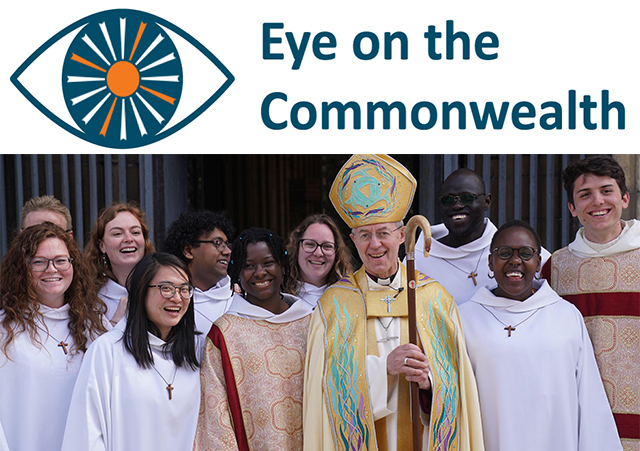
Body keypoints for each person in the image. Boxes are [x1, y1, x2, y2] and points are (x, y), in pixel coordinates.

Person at [304, 154, 484, 451]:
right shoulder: (334, 306)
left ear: (401, 235)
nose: (374, 245)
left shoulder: (433, 299)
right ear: (353, 239)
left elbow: (458, 385)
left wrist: (429, 383)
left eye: (383, 233)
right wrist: (383, 368)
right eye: (364, 235)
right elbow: (324, 393)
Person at [460, 220, 621, 451]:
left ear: (538, 264)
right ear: (491, 262)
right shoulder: (464, 318)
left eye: (526, 253)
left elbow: (589, 397)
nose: (515, 261)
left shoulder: (565, 316)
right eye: (504, 253)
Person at [542, 155, 639, 451]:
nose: (597, 201)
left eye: (606, 191)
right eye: (585, 194)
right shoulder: (555, 267)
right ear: (572, 208)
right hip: (578, 412)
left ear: (624, 198)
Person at [62, 253, 201, 451]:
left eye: (184, 289)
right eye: (166, 288)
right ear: (141, 291)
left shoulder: (198, 350)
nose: (177, 298)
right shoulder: (108, 351)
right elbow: (87, 433)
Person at [194, 227, 312, 450]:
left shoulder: (310, 323)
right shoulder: (225, 333)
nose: (259, 272)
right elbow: (214, 414)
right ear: (237, 272)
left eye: (268, 263)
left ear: (282, 266)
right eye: (248, 266)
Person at [0, 223, 108, 451]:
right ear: (21, 268)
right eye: (39, 262)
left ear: (73, 265)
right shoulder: (4, 328)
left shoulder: (93, 325)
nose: (52, 269)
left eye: (61, 260)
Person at [413, 169, 549, 305]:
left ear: (487, 202)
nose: (457, 205)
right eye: (448, 200)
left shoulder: (516, 252)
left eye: (467, 198)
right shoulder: (419, 260)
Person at [164, 210, 235, 336]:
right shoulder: (169, 301)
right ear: (188, 250)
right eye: (218, 243)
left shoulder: (238, 299)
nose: (227, 251)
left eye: (227, 244)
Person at [85, 202, 155, 322]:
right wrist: (114, 324)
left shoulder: (164, 291)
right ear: (102, 246)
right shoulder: (90, 302)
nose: (128, 239)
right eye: (117, 234)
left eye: (135, 232)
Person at [285, 213, 353, 309]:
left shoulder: (351, 298)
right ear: (297, 247)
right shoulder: (278, 298)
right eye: (310, 244)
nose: (318, 253)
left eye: (327, 246)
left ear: (337, 253)